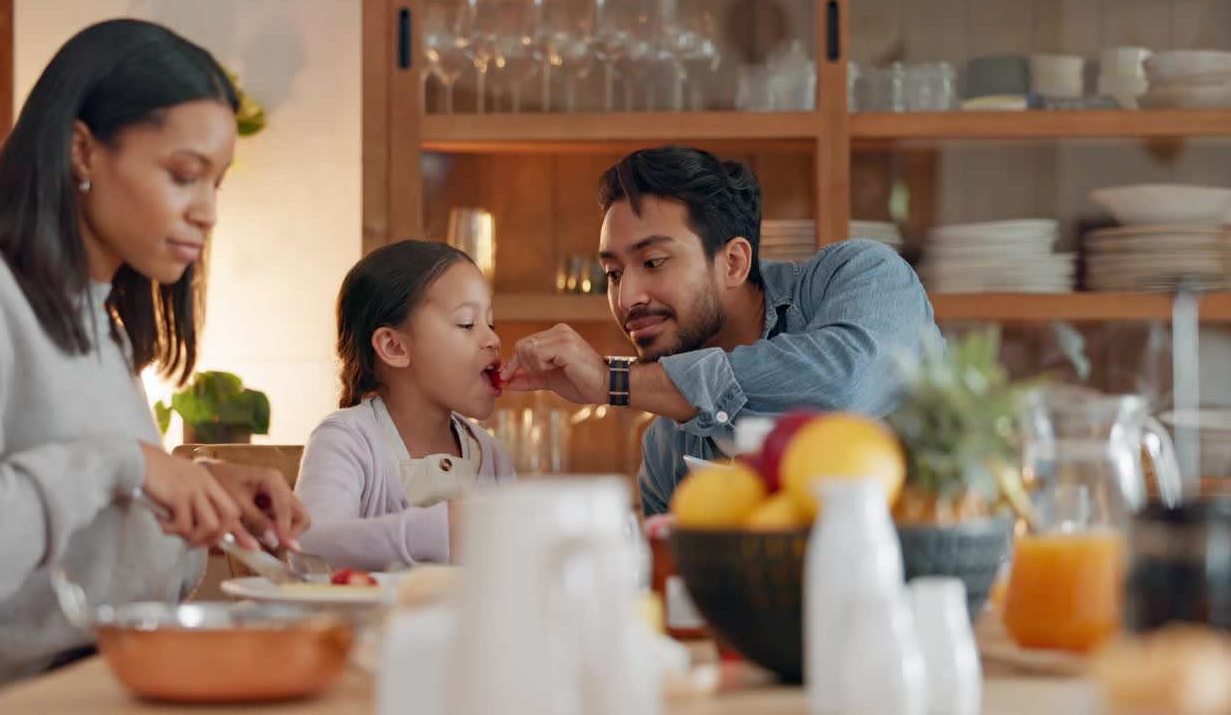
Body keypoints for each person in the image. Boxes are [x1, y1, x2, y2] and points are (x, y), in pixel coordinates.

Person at [0, 19, 309, 684]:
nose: (207, 212)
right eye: (183, 174)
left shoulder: (104, 326)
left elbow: (104, 565)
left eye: (215, 185)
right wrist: (124, 463)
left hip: (110, 681)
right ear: (82, 152)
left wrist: (200, 494)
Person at [501, 145, 940, 515]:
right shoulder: (668, 448)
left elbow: (844, 388)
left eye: (653, 262)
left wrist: (611, 381)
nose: (627, 297)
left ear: (733, 262)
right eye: (613, 273)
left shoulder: (859, 275)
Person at [294, 240, 515, 572]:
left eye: (491, 323)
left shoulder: (493, 456)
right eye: (467, 324)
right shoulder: (346, 439)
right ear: (393, 346)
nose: (493, 339)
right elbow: (308, 548)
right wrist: (442, 529)